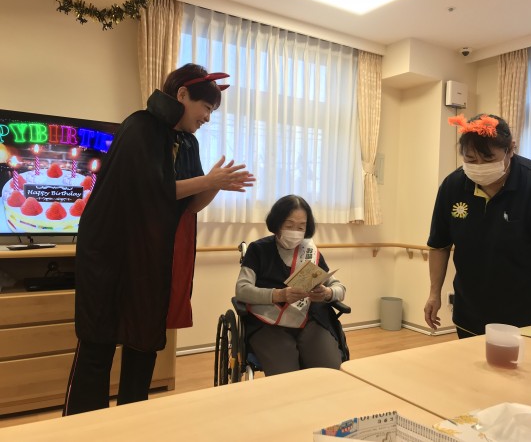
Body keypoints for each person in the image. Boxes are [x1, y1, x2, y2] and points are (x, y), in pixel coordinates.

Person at [63, 63, 255, 415]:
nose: (207, 118)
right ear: (182, 94)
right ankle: (80, 430)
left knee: (143, 343)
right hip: (110, 253)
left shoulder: (188, 142)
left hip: (150, 257)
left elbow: (188, 205)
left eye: (212, 111)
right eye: (206, 108)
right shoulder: (139, 127)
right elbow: (151, 190)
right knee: (97, 345)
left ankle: (132, 424)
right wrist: (209, 181)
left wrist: (216, 185)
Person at [424, 113, 531, 339]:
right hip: (472, 312)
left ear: (511, 149)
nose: (479, 167)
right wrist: (434, 293)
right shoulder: (453, 186)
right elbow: (439, 244)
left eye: (488, 159)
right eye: (471, 160)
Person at [235, 194, 346, 376]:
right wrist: (279, 295)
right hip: (269, 323)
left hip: (311, 321)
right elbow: (242, 290)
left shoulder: (309, 252)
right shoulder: (259, 250)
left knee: (329, 371)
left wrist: (327, 293)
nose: (295, 231)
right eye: (289, 225)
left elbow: (340, 288)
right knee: (286, 377)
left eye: (301, 227)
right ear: (277, 224)